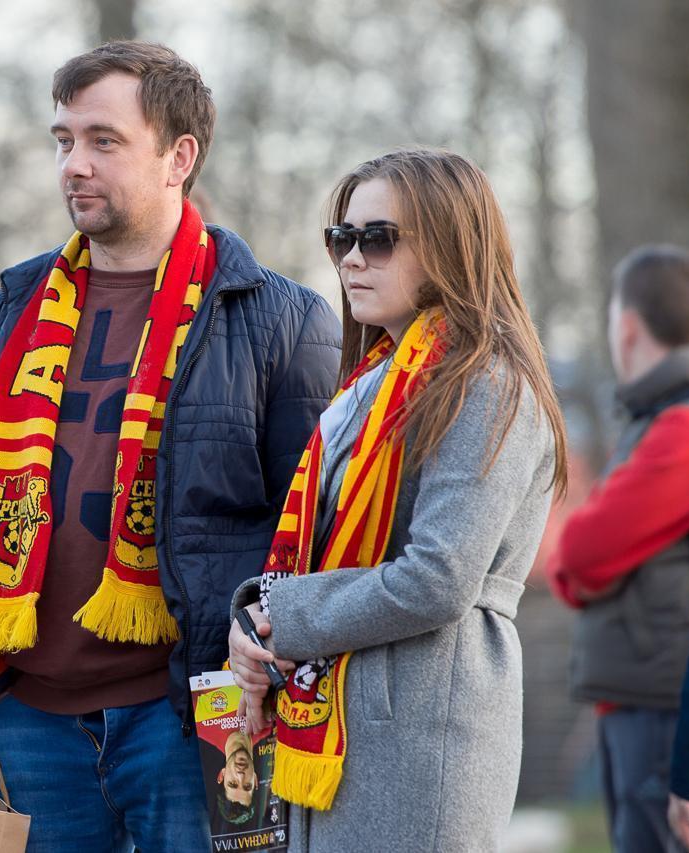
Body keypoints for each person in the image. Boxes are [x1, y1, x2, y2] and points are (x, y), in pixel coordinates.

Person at [0, 40, 340, 852]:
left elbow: (313, 536)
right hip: (25, 716)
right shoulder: (3, 314)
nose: (73, 163)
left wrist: (263, 670)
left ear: (180, 157)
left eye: (103, 141)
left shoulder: (281, 320)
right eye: (64, 140)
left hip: (202, 715)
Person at [228, 148, 568, 851]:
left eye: (378, 238)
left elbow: (438, 578)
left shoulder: (485, 382)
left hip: (421, 728)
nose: (352, 258)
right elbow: (324, 555)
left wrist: (284, 617)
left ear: (449, 247)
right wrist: (257, 620)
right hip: (341, 717)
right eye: (342, 238)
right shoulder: (369, 386)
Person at [544, 245, 689, 853]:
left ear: (628, 327)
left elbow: (578, 552)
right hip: (645, 703)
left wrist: (578, 572)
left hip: (662, 714)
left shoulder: (684, 427)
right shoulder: (658, 419)